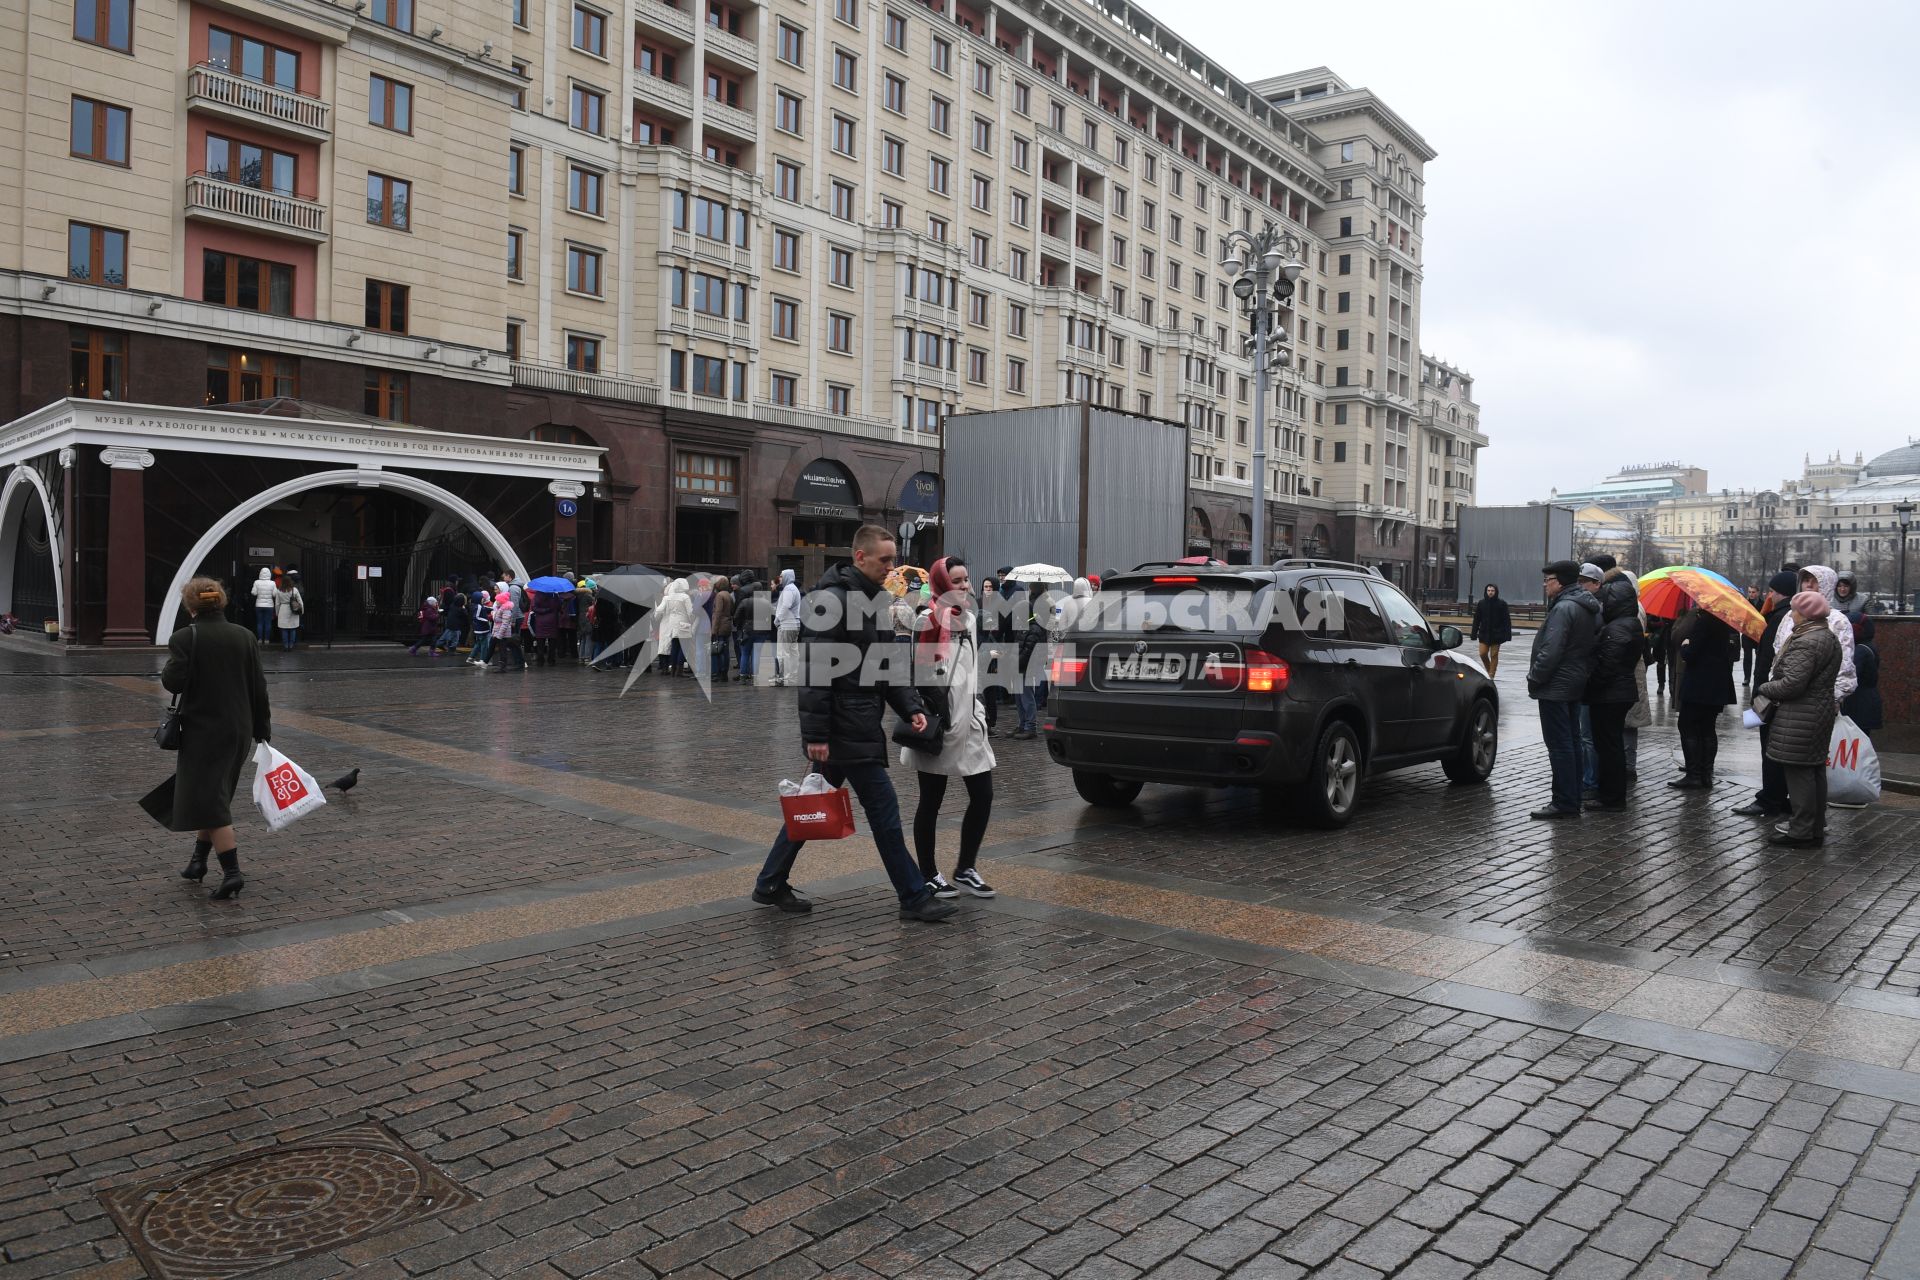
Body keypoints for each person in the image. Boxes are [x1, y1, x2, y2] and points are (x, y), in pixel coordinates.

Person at [753, 525, 956, 923]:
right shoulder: (831, 601)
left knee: (816, 804)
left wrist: (909, 706)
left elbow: (887, 663)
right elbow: (815, 670)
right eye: (884, 560)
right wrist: (815, 734)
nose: (891, 567)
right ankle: (913, 896)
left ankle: (770, 882)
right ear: (859, 557)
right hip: (846, 727)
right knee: (884, 809)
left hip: (856, 724)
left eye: (893, 559)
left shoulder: (874, 600)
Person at [139, 577, 271, 900]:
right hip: (239, 730)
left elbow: (173, 682)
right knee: (212, 794)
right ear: (221, 602)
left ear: (190, 606)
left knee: (211, 800)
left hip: (203, 734)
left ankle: (232, 873)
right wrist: (262, 730)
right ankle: (198, 862)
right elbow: (259, 687)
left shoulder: (185, 637)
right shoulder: (245, 636)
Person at [903, 556, 997, 899]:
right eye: (956, 581)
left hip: (970, 720)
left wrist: (978, 707)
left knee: (983, 795)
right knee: (932, 800)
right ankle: (928, 873)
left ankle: (965, 868)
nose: (964, 587)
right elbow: (920, 675)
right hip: (939, 724)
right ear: (942, 584)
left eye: (966, 580)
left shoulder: (970, 619)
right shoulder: (927, 620)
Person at [1756, 591, 1844, 847]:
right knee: (1814, 769)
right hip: (1817, 712)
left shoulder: (1807, 641)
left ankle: (1801, 831)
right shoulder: (1827, 636)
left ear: (1805, 614)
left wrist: (1765, 687)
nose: (1791, 615)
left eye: (1794, 610)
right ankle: (1814, 827)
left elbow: (1793, 684)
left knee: (1799, 773)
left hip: (1801, 714)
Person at [1527, 559, 1600, 820]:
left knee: (1560, 745)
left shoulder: (1564, 608)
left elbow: (1551, 650)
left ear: (1560, 582)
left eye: (1548, 580)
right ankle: (1572, 796)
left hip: (1556, 684)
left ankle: (1564, 801)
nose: (1545, 585)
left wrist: (1535, 677)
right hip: (1574, 681)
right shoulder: (1585, 605)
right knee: (1572, 742)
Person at [1732, 572, 1800, 819]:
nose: (1768, 595)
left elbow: (1766, 661)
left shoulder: (1780, 617)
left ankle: (1770, 799)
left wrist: (1759, 693)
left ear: (1779, 592)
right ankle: (1778, 797)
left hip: (1770, 694)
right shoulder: (1786, 615)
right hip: (1779, 693)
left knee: (1770, 747)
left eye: (1771, 591)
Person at [1585, 567, 1642, 810]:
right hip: (1619, 692)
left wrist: (1588, 685)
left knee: (1609, 747)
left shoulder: (1617, 628)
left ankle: (1612, 797)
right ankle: (1611, 795)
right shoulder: (1628, 624)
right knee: (1611, 745)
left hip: (1611, 695)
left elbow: (1606, 666)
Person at [1670, 605, 1738, 790]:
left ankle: (1694, 775)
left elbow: (1692, 654)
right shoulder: (1724, 621)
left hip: (1700, 683)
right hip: (1717, 683)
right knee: (1708, 728)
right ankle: (1706, 774)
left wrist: (1685, 647)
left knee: (1687, 725)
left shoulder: (1704, 621)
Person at [1774, 565, 1858, 706]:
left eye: (1815, 580)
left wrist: (1835, 698)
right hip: (1786, 695)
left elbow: (1845, 664)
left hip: (1819, 699)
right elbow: (1778, 652)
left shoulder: (1838, 620)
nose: (1809, 584)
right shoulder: (1789, 615)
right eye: (1806, 580)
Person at [1012, 582, 1050, 740]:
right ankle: (1022, 725)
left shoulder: (1034, 628)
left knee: (1027, 697)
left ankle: (1030, 726)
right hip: (1020, 666)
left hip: (1026, 666)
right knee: (1019, 697)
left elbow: (1028, 651)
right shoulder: (1025, 625)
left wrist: (1016, 662)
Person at [1845, 616, 1883, 743]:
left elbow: (1850, 674)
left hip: (1859, 703)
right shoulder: (1867, 646)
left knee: (1857, 742)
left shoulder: (1861, 650)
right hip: (1865, 700)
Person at [1470, 583, 1512, 677]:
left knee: (1494, 655)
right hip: (1484, 633)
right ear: (1486, 591)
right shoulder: (1481, 603)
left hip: (1497, 634)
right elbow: (1477, 619)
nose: (1490, 592)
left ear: (1496, 591)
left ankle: (1491, 675)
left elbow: (1507, 620)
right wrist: (1473, 633)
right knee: (1482, 653)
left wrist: (1508, 634)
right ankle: (1489, 670)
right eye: (1488, 590)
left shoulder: (1502, 604)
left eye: (1492, 591)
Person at [773, 568, 803, 685]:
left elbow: (786, 606)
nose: (779, 578)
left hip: (786, 624)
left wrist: (777, 619)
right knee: (793, 652)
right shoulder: (793, 588)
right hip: (794, 624)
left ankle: (784, 678)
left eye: (781, 576)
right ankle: (793, 677)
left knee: (783, 652)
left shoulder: (788, 589)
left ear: (786, 577)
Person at [491, 585, 525, 671]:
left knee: (503, 649)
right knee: (506, 648)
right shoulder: (502, 608)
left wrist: (499, 635)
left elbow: (504, 623)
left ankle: (503, 666)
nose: (497, 601)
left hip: (503, 633)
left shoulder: (505, 610)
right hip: (501, 633)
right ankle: (505, 665)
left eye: (498, 600)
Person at [710, 575, 735, 680]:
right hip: (728, 625)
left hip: (720, 625)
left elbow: (717, 613)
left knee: (718, 650)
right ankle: (724, 673)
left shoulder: (719, 595)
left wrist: (713, 630)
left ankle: (719, 672)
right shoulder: (729, 595)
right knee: (725, 650)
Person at [273, 571, 304, 651]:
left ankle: (286, 645)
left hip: (283, 609)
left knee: (284, 629)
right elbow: (300, 601)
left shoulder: (279, 591)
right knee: (293, 628)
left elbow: (277, 603)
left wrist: (277, 613)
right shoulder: (294, 590)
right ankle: (291, 645)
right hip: (293, 609)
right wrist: (302, 611)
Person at [529, 587, 560, 667]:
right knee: (552, 642)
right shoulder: (554, 596)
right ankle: (551, 660)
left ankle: (540, 661)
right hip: (552, 620)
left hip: (540, 621)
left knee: (540, 643)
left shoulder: (537, 595)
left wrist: (543, 611)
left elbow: (534, 608)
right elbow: (559, 607)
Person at [468, 586, 495, 667]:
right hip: (482, 629)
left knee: (478, 643)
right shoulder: (478, 606)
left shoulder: (476, 605)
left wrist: (492, 608)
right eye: (482, 598)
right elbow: (476, 617)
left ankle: (470, 657)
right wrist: (486, 620)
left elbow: (486, 608)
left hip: (478, 629)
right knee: (484, 645)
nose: (483, 599)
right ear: (478, 599)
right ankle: (483, 660)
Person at [249, 568, 276, 643]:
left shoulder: (256, 582)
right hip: (269, 606)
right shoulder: (272, 583)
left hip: (259, 605)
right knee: (268, 623)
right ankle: (267, 639)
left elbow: (253, 593)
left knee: (259, 623)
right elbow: (274, 594)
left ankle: (260, 639)